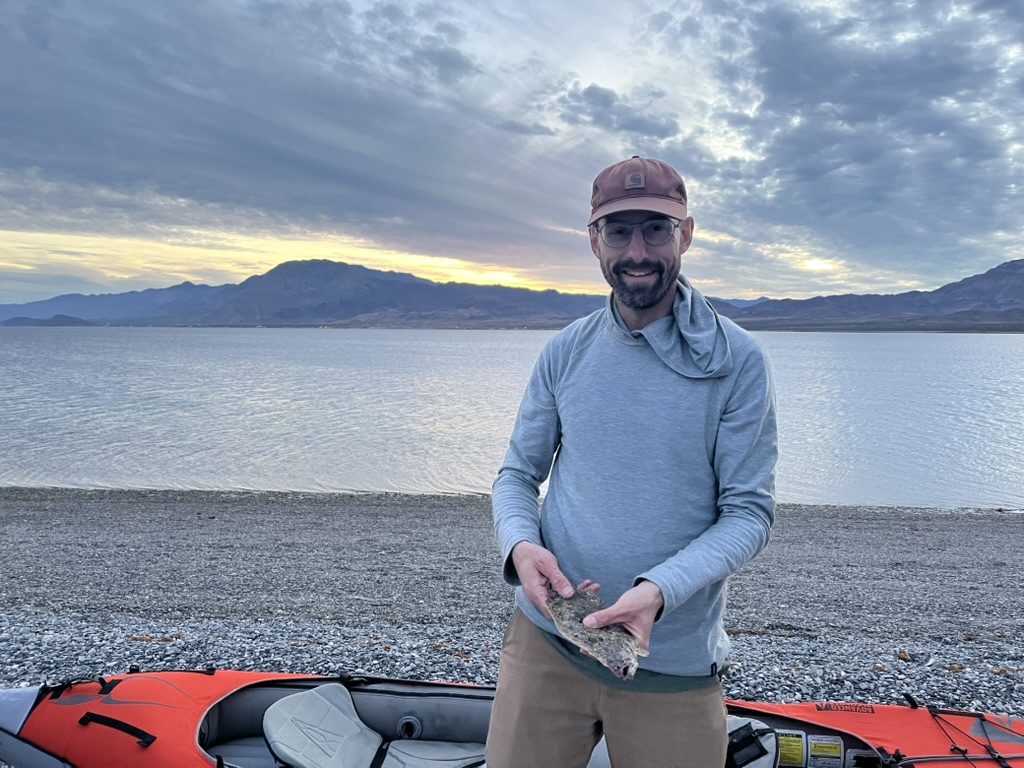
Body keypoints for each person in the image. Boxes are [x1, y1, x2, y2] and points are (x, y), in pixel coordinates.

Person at [486, 156, 778, 767]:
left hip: (671, 665)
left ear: (686, 234)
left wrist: (658, 591)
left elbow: (748, 514)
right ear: (595, 241)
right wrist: (521, 546)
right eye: (619, 232)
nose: (637, 251)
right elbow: (517, 476)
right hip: (548, 642)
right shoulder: (566, 350)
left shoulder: (738, 361)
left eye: (656, 229)